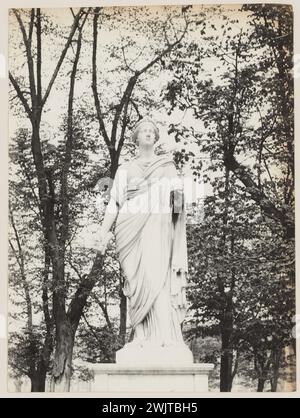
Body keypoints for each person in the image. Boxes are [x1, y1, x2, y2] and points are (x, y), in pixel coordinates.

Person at [98, 117, 192, 362]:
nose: (149, 133)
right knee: (134, 284)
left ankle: (163, 338)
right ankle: (140, 336)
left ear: (156, 137)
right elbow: (115, 203)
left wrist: (175, 211)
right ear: (136, 137)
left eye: (152, 131)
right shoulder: (125, 169)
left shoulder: (166, 166)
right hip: (128, 229)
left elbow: (178, 199)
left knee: (156, 280)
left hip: (157, 227)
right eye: (144, 131)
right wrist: (103, 232)